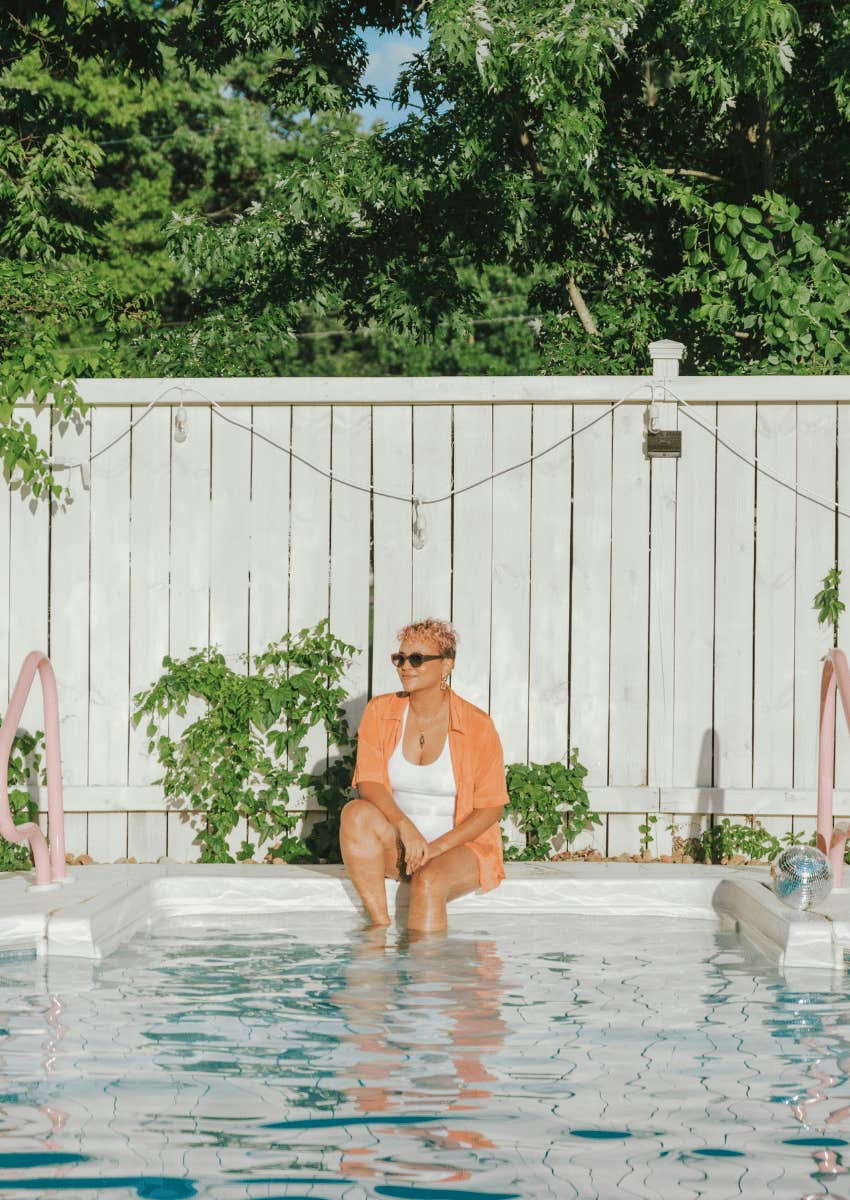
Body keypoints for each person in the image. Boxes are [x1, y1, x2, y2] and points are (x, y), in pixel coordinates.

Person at [340, 618, 507, 931]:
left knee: (429, 881)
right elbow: (369, 782)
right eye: (400, 658)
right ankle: (379, 931)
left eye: (416, 659)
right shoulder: (380, 711)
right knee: (355, 814)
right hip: (400, 846)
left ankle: (424, 964)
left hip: (459, 850)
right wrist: (406, 829)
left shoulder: (478, 725)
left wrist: (435, 849)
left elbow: (491, 808)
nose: (406, 667)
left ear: (446, 665)